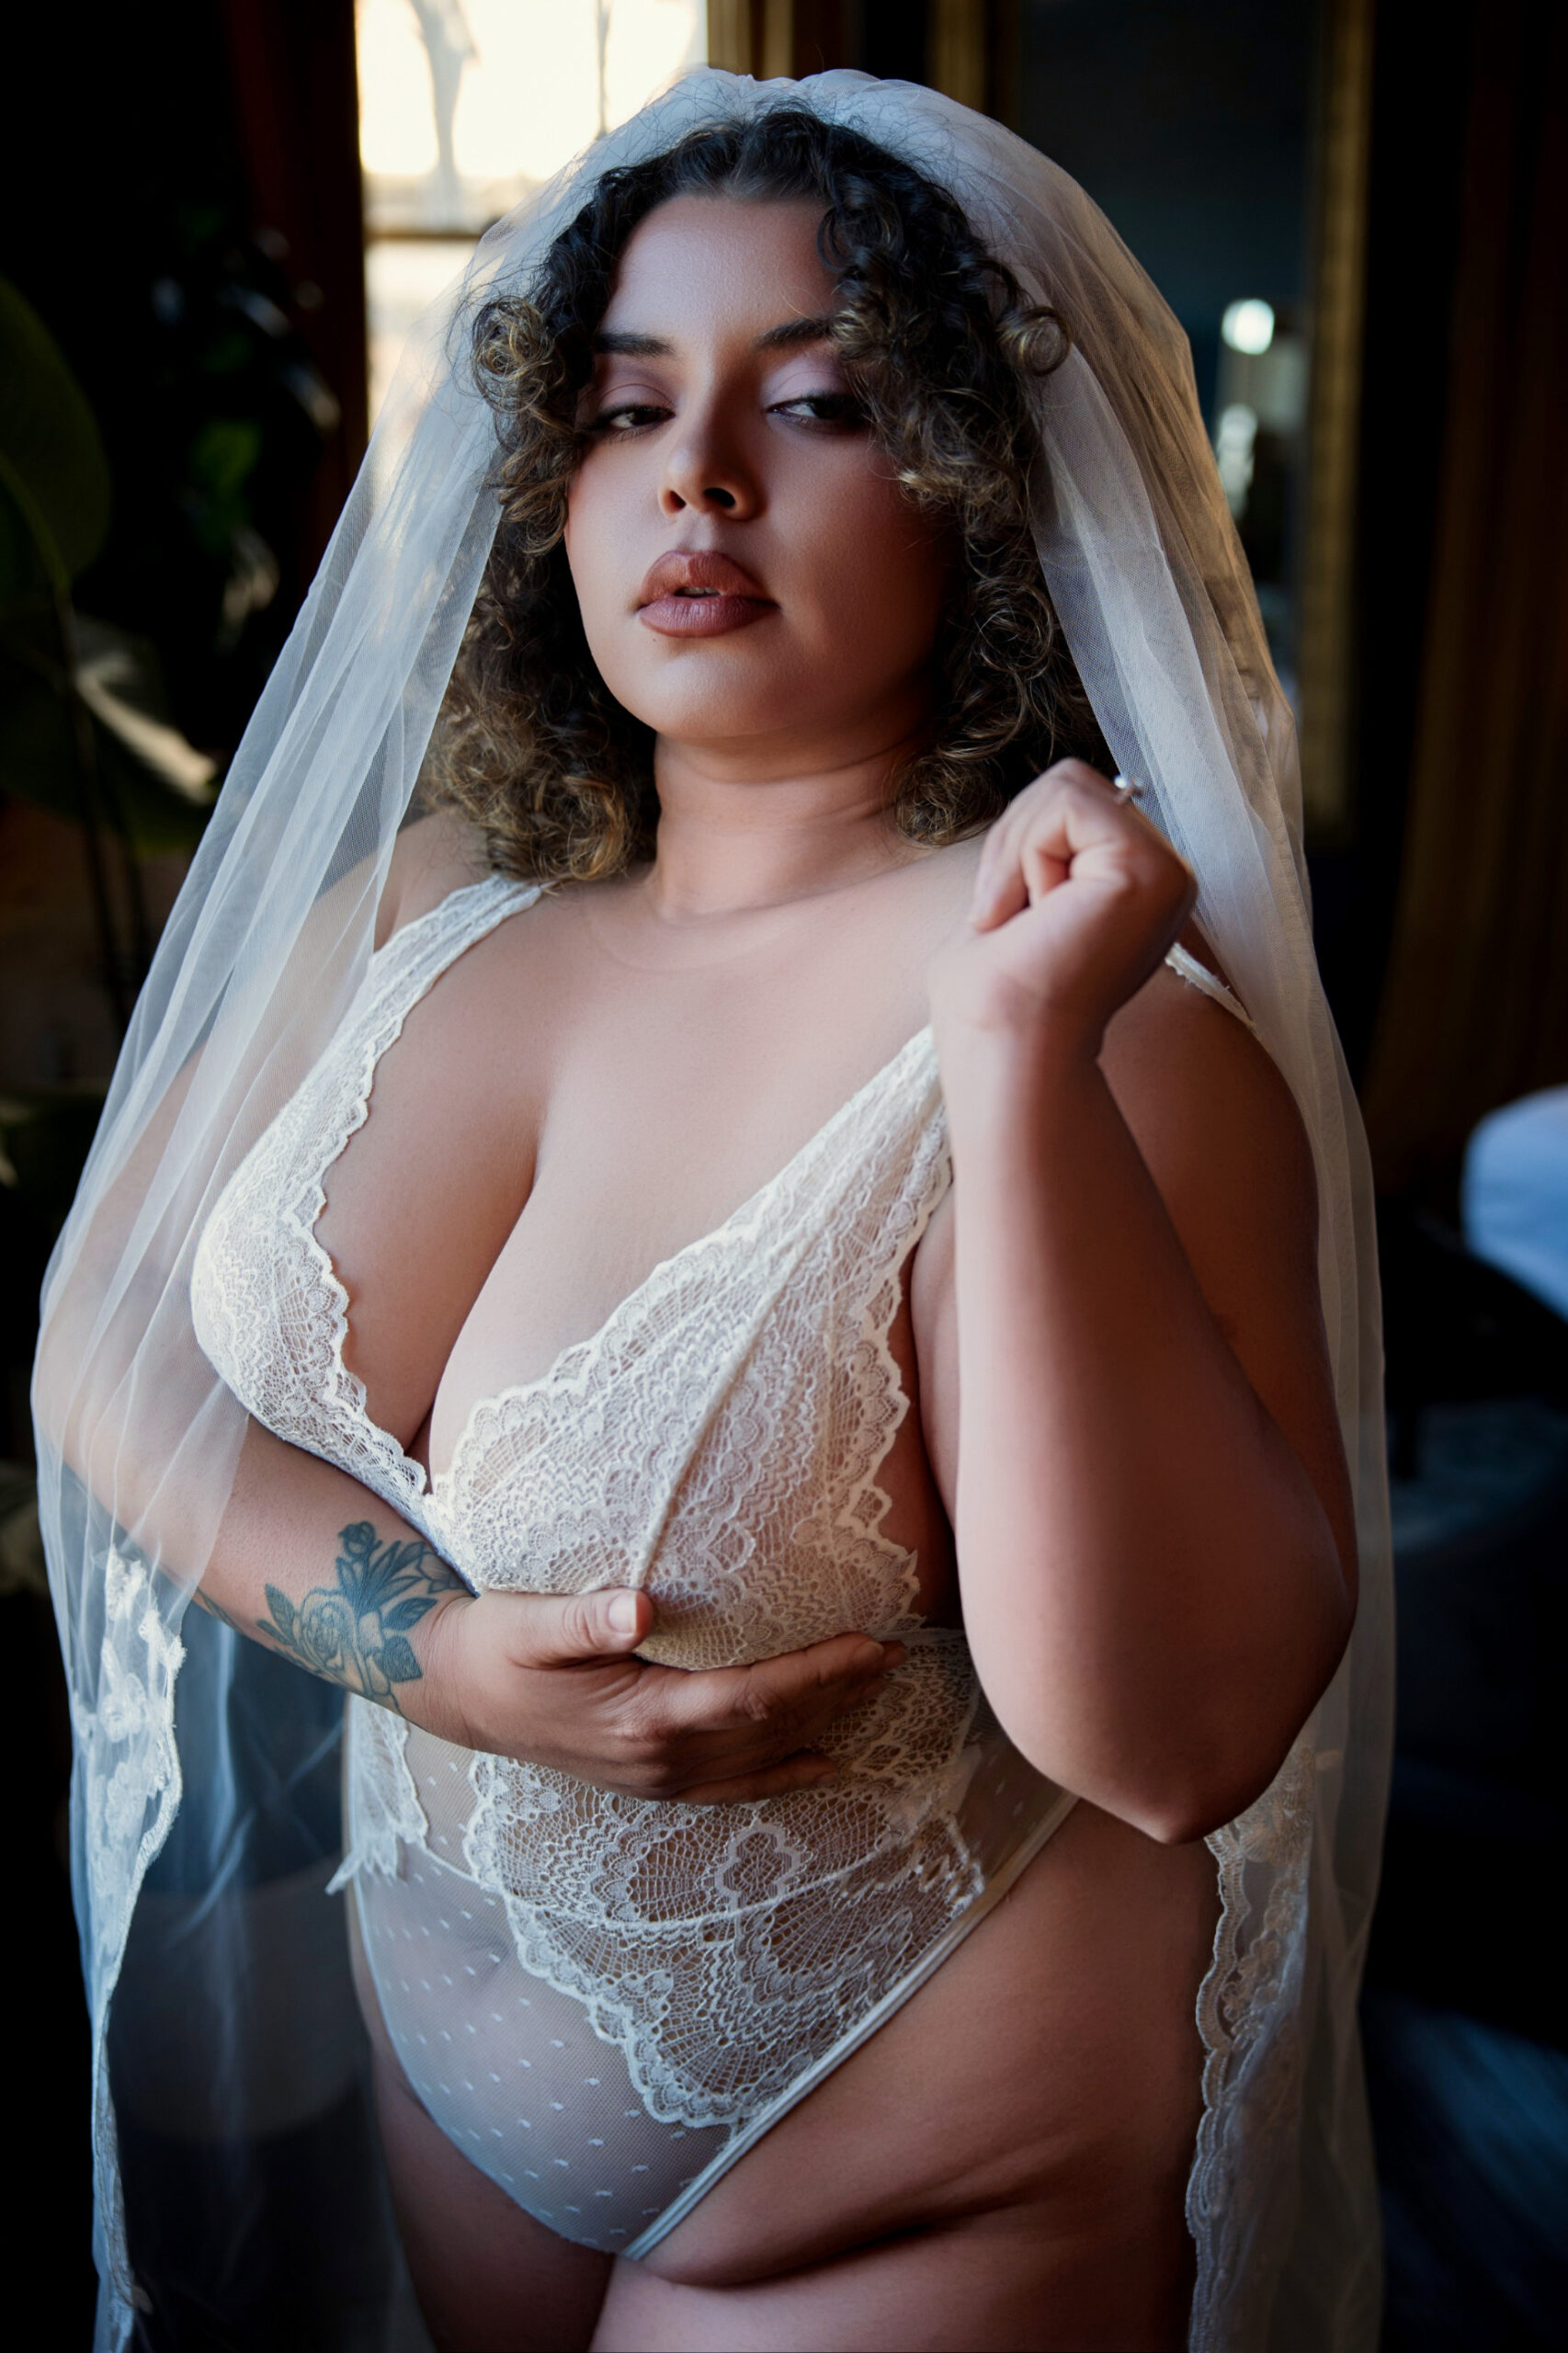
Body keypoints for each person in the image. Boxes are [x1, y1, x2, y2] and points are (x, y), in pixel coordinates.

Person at [35, 70, 1392, 2353]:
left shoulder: (1092, 1014)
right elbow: (105, 1347)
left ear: (979, 481)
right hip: (449, 2085)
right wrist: (438, 1658)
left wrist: (1013, 1066)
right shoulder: (424, 910)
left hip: (903, 2145)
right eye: (625, 402)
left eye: (826, 400)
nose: (698, 475)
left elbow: (1171, 1740)